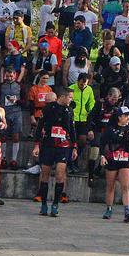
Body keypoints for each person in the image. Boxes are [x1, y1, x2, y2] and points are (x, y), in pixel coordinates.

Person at [35, 86, 77, 217]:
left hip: (63, 146)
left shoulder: (69, 111)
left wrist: (74, 146)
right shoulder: (48, 108)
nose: (71, 100)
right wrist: (37, 145)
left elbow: (72, 129)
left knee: (60, 174)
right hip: (48, 145)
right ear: (63, 97)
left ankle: (55, 204)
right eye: (70, 97)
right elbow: (39, 127)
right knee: (45, 174)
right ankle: (43, 204)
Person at [99, 106, 129, 221]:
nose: (127, 118)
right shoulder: (110, 129)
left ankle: (127, 210)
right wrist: (102, 156)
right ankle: (109, 209)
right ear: (119, 117)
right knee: (110, 185)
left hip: (125, 160)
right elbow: (102, 143)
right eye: (125, 115)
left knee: (125, 186)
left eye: (128, 116)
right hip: (112, 159)